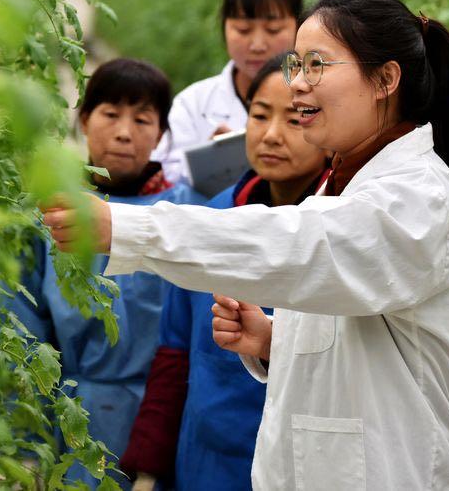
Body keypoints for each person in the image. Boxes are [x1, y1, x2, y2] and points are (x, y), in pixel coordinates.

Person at [42, 0, 449, 490]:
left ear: (385, 80)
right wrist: (276, 340)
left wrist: (128, 228)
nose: (298, 83)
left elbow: (299, 246)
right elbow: (367, 338)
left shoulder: (418, 199)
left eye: (317, 65)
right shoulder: (343, 184)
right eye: (297, 64)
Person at [119, 55, 329, 491]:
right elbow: (175, 351)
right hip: (203, 460)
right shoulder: (210, 220)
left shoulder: (336, 233)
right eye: (259, 115)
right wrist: (148, 465)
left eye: (294, 120)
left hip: (298, 462)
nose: (271, 135)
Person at [7, 58, 204, 490]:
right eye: (110, 114)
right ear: (83, 120)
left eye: (142, 119)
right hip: (71, 418)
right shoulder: (51, 215)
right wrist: (26, 442)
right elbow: (21, 330)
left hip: (164, 420)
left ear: (162, 133)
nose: (124, 132)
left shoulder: (190, 212)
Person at [152, 0, 302, 185]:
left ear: (300, 27)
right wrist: (210, 162)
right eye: (243, 29)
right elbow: (161, 176)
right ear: (224, 27)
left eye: (273, 30)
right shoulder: (194, 104)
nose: (257, 45)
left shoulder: (315, 99)